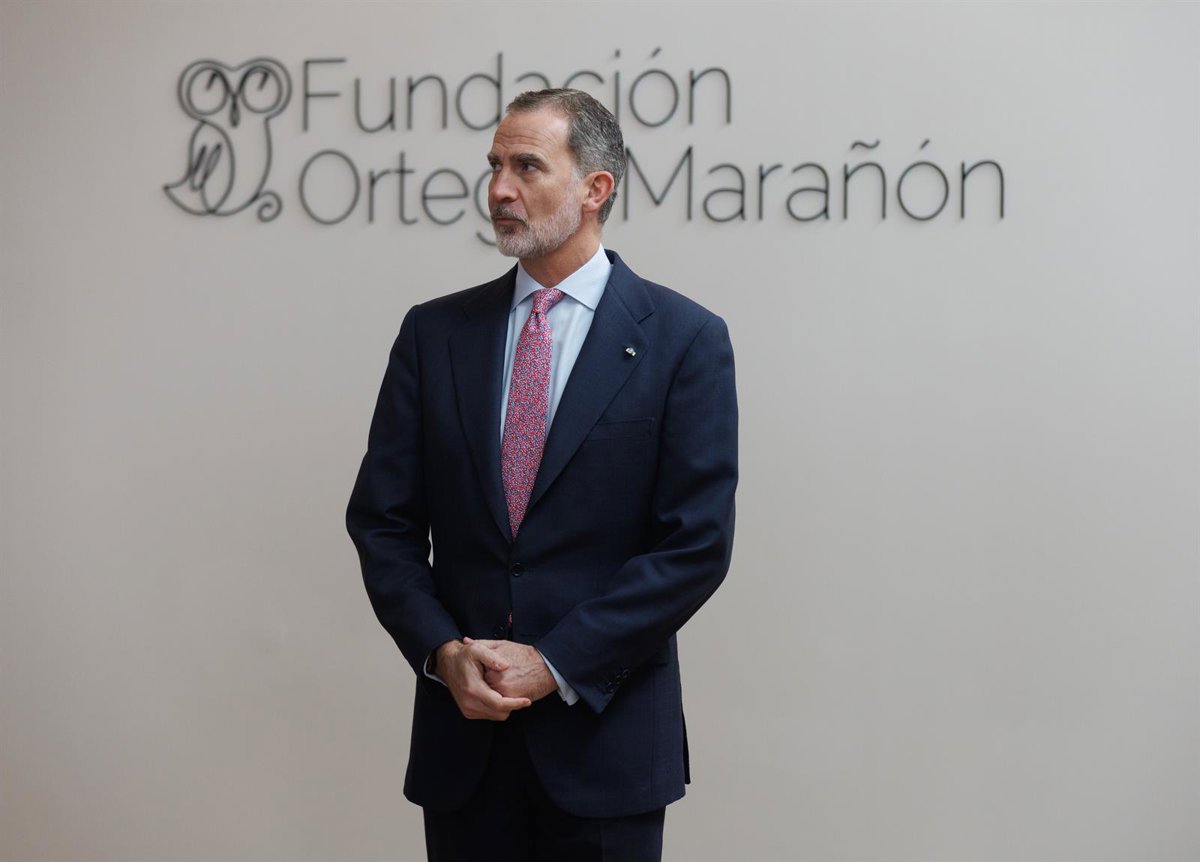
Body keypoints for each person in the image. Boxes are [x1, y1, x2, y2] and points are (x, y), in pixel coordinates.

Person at [346, 88, 737, 862]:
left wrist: (555, 664)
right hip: (466, 745)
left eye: (526, 167)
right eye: (494, 165)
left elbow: (694, 545)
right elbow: (383, 523)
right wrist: (442, 652)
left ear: (596, 188)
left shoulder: (685, 339)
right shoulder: (434, 333)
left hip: (605, 745)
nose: (498, 189)